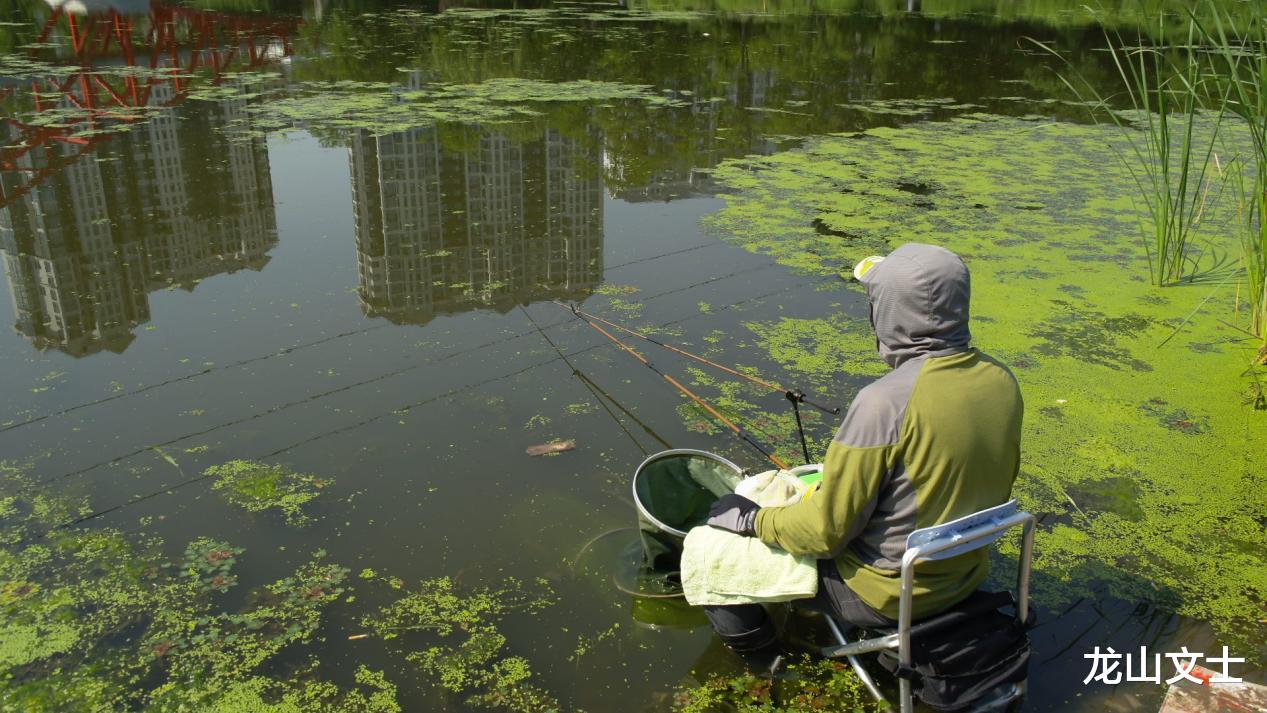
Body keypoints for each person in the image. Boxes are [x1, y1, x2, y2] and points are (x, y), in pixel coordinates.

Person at [703, 242, 1024, 671]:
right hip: (963, 573)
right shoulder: (1000, 379)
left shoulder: (884, 403)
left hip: (884, 593)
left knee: (707, 552)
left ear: (888, 313)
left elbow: (824, 534)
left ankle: (766, 658)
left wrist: (750, 520)